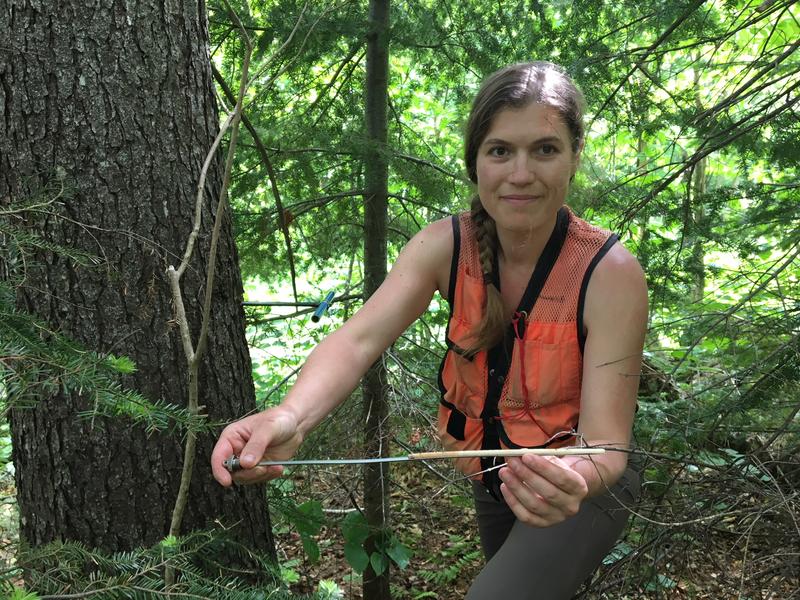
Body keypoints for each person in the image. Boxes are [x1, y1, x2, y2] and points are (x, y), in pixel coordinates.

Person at [211, 61, 648, 599]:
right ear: (476, 164)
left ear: (574, 158)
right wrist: (290, 417)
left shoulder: (610, 273)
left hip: (583, 486)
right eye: (500, 150)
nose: (520, 173)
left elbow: (606, 444)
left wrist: (575, 476)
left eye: (545, 149)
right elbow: (360, 338)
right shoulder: (445, 246)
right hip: (495, 481)